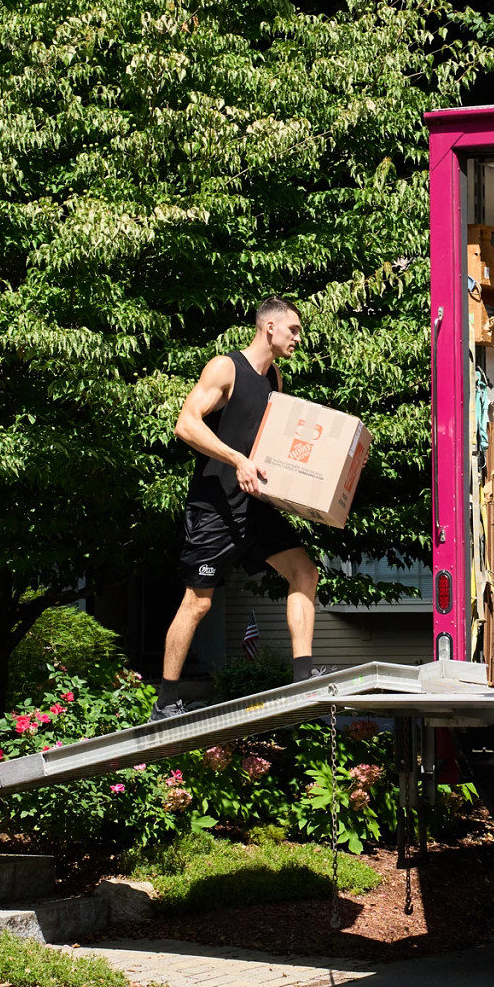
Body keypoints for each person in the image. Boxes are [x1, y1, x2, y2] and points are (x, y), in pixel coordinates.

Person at [162, 297, 322, 717]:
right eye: (293, 330)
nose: (297, 338)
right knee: (198, 602)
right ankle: (166, 701)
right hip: (215, 507)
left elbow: (271, 449)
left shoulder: (276, 381)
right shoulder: (225, 368)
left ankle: (303, 678)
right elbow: (186, 423)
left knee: (305, 571)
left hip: (255, 507)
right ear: (269, 328)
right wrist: (237, 459)